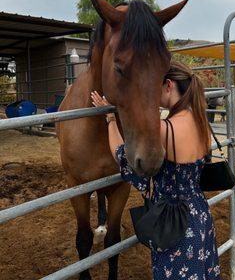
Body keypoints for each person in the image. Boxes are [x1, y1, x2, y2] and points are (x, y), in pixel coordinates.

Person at [91, 61, 221, 279]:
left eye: (155, 88)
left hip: (173, 225)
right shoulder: (201, 122)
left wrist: (111, 119)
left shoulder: (164, 130)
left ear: (168, 85)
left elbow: (122, 155)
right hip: (199, 215)